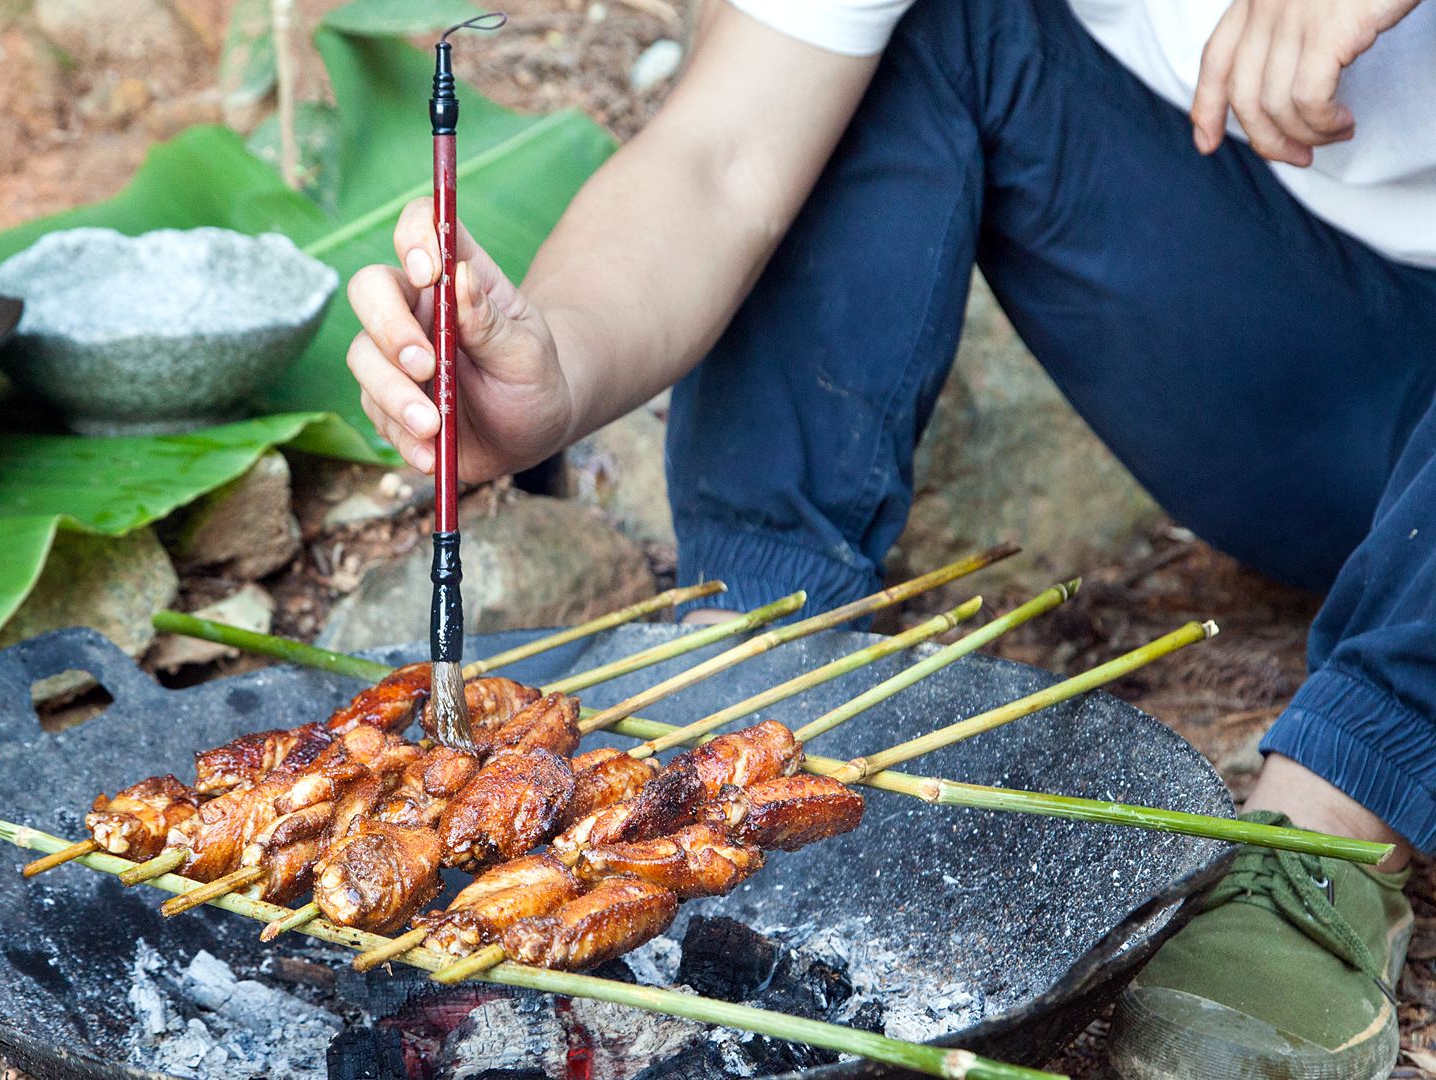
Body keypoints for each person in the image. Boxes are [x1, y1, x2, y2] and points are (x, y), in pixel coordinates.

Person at [344, 0, 1436, 1075]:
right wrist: (558, 371)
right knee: (929, 23)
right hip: (1300, 352)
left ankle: (1329, 827)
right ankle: (752, 669)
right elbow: (724, 156)